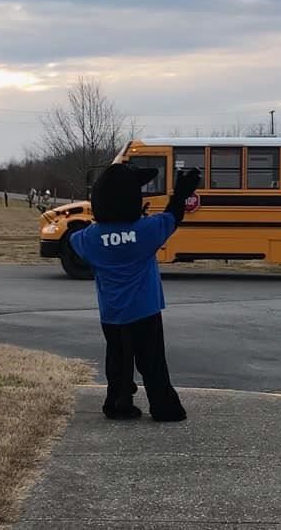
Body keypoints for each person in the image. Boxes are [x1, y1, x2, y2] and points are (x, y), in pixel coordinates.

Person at [70, 164, 200, 421]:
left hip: (111, 312)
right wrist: (180, 194)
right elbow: (173, 216)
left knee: (117, 359)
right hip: (145, 309)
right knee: (151, 360)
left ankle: (118, 402)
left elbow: (76, 240)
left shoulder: (89, 239)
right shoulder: (146, 232)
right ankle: (164, 406)